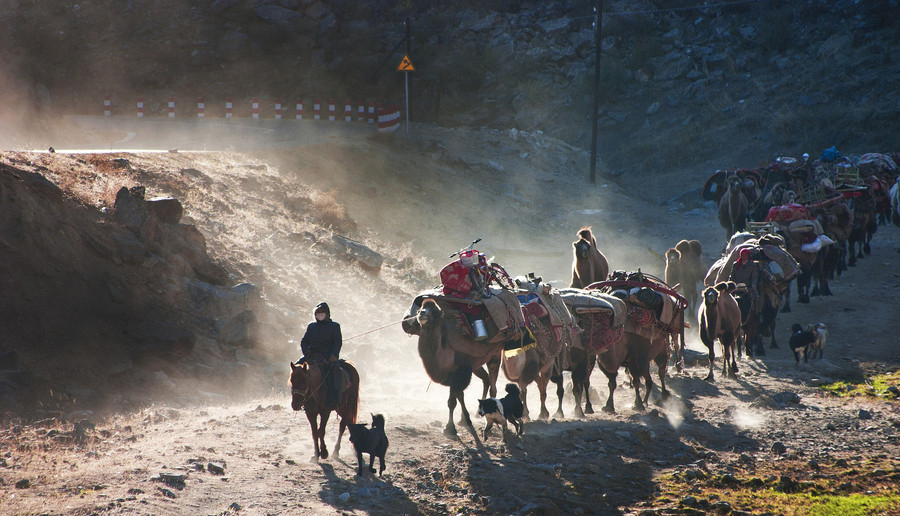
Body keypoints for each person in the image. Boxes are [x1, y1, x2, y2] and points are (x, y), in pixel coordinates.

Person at [296, 302, 343, 406]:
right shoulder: (311, 326)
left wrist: (334, 355)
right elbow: (304, 341)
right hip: (311, 355)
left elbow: (337, 342)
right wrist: (306, 352)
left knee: (335, 371)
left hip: (327, 356)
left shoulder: (334, 326)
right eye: (318, 313)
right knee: (296, 368)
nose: (320, 315)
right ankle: (298, 396)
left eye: (322, 312)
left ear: (327, 314)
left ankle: (337, 395)